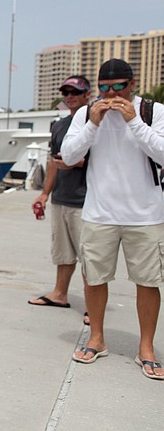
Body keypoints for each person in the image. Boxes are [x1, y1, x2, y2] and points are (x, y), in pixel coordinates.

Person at [61, 59, 164, 380]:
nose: (111, 94)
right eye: (104, 88)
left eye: (118, 87)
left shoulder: (153, 111)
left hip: (145, 215)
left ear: (132, 84)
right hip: (99, 212)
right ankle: (97, 339)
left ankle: (146, 347)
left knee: (147, 282)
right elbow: (68, 155)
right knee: (95, 278)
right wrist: (92, 124)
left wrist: (134, 122)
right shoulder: (86, 113)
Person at [28, 76, 90, 323]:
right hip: (62, 198)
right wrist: (45, 193)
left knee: (90, 256)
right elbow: (54, 162)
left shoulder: (95, 122)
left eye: (75, 91)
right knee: (62, 252)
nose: (70, 96)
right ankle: (59, 293)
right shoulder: (60, 126)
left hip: (87, 200)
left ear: (87, 94)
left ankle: (93, 305)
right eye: (66, 91)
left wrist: (78, 161)